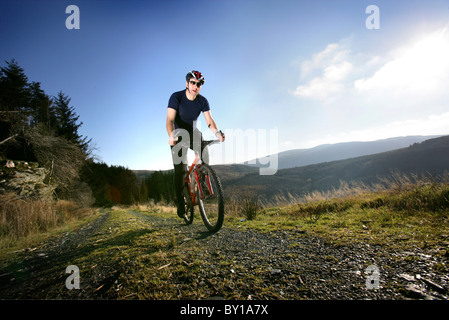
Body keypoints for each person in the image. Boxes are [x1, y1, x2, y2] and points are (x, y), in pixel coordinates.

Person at [166, 70, 225, 218]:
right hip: (178, 133)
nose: (195, 86)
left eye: (199, 84)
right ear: (187, 84)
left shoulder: (202, 101)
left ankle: (203, 183)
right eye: (193, 82)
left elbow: (209, 122)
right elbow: (170, 120)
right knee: (180, 171)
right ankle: (180, 202)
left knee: (204, 148)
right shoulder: (176, 97)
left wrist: (217, 133)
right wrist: (171, 134)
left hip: (192, 133)